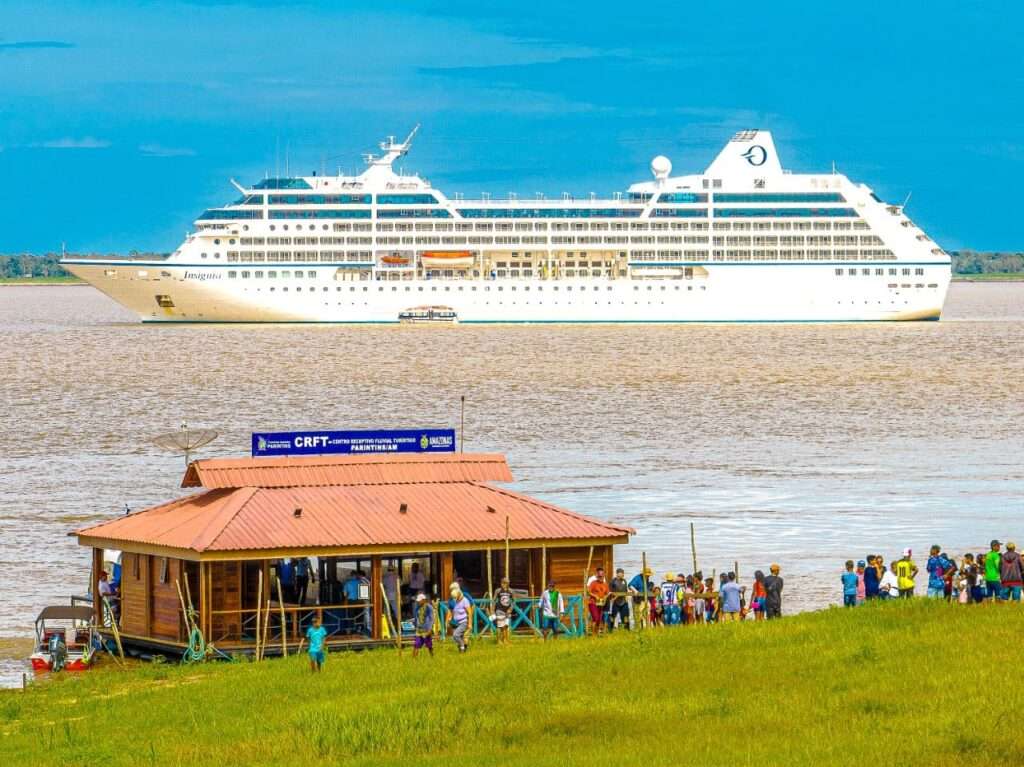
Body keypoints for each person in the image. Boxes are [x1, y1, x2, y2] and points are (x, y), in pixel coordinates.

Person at [449, 583, 472, 653]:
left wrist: (470, 623)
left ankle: (462, 646)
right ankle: (462, 651)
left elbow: (469, 612)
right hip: (456, 623)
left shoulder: (465, 600)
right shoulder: (455, 601)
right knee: (459, 637)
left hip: (463, 622)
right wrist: (450, 618)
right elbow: (453, 610)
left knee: (455, 635)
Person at [587, 569, 610, 635]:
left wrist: (606, 597)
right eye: (599, 576)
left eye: (602, 576)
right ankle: (593, 634)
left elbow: (607, 593)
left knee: (599, 620)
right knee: (596, 618)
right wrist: (595, 596)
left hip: (601, 603)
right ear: (597, 576)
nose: (600, 578)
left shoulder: (605, 584)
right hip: (593, 603)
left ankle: (596, 633)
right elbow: (589, 591)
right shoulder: (593, 583)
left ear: (603, 576)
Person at [493, 577, 515, 644]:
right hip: (499, 609)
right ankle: (499, 640)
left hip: (507, 610)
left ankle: (505, 640)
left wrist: (511, 609)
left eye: (506, 583)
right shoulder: (498, 591)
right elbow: (494, 601)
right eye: (503, 582)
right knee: (500, 626)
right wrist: (492, 610)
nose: (504, 584)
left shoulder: (511, 591)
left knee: (506, 625)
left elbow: (514, 601)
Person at [412, 593, 434, 658]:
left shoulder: (429, 607)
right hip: (419, 629)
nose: (418, 602)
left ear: (424, 600)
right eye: (418, 601)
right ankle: (413, 659)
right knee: (416, 644)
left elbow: (431, 618)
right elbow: (416, 617)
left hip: (426, 629)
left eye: (420, 600)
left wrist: (430, 628)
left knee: (429, 644)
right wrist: (415, 625)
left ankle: (432, 656)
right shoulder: (417, 608)